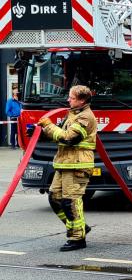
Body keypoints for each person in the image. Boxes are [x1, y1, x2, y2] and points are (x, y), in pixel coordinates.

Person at [37, 85, 97, 251]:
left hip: (77, 166)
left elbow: (69, 138)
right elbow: (59, 137)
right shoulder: (72, 114)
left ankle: (78, 238)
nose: (68, 100)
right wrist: (41, 133)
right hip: (64, 164)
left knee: (70, 201)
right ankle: (80, 227)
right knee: (55, 198)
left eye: (71, 97)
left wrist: (48, 126)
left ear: (82, 100)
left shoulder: (85, 117)